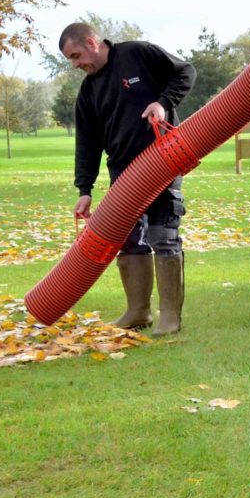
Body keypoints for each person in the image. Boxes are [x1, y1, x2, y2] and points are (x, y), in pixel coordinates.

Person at [60, 22, 196, 335]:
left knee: (163, 236)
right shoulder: (88, 92)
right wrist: (84, 190)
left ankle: (170, 317)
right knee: (129, 242)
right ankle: (138, 311)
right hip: (123, 175)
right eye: (71, 60)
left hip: (162, 162)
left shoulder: (137, 54)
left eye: (76, 55)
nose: (75, 65)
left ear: (92, 42)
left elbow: (185, 72)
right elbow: (87, 144)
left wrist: (162, 103)